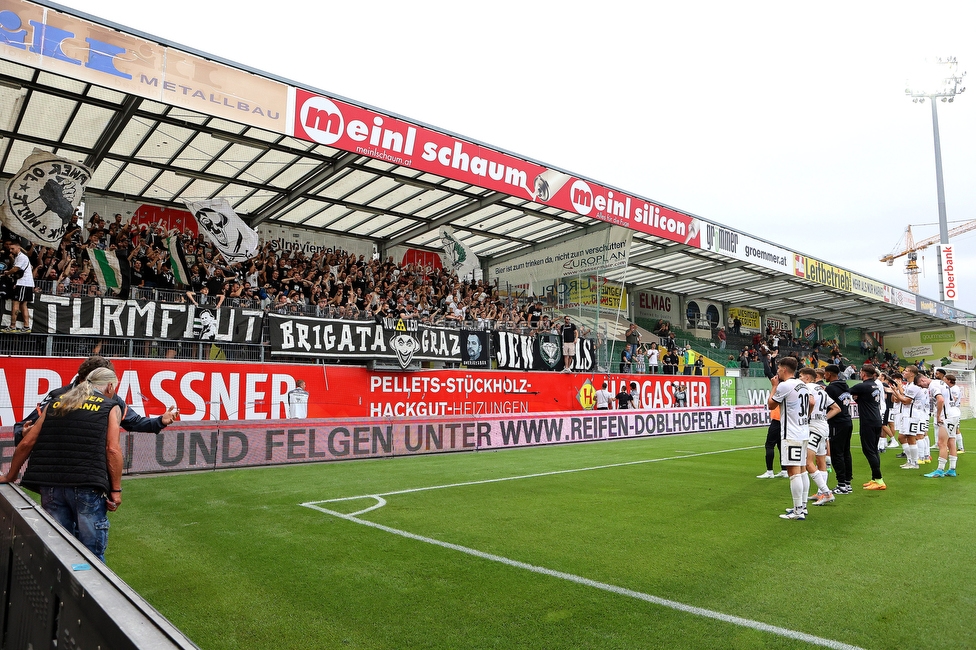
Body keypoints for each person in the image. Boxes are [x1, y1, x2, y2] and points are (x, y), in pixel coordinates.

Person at [0, 367, 122, 562]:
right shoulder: (111, 407)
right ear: (109, 386)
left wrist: (10, 475)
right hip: (87, 487)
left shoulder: (57, 402)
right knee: (92, 556)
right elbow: (112, 450)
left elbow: (27, 442)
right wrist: (116, 490)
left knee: (58, 550)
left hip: (50, 486)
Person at [15, 356, 177, 445]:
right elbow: (21, 428)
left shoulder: (112, 399)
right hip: (56, 475)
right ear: (82, 379)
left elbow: (133, 421)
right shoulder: (58, 396)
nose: (109, 388)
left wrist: (160, 421)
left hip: (90, 476)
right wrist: (23, 433)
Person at [768, 357, 812, 520]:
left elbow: (771, 405)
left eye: (779, 368)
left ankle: (798, 511)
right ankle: (803, 506)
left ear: (784, 369)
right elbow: (811, 404)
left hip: (791, 434)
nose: (777, 370)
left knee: (794, 473)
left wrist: (774, 387)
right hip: (803, 431)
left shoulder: (785, 385)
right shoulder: (803, 385)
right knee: (802, 470)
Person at [799, 367, 840, 505]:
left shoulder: (807, 388)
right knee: (821, 461)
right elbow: (836, 408)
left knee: (807, 461)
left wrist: (808, 417)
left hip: (813, 428)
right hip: (823, 427)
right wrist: (823, 418)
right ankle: (821, 493)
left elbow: (811, 403)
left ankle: (827, 492)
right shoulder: (821, 389)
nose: (799, 379)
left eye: (801, 376)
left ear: (807, 378)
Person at [849, 364, 886, 490]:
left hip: (868, 421)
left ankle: (879, 480)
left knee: (869, 450)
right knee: (874, 450)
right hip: (876, 419)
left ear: (863, 374)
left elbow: (846, 391)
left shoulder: (862, 386)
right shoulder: (874, 385)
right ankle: (875, 478)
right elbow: (866, 400)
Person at [919, 372, 958, 478]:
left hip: (947, 416)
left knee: (942, 443)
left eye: (920, 385)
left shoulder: (933, 385)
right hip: (954, 413)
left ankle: (939, 470)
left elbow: (940, 399)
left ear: (923, 380)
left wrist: (938, 415)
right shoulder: (939, 382)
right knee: (951, 441)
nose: (922, 387)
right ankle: (952, 469)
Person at [2, 238, 33, 333]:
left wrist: (7, 273)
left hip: (23, 283)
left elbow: (15, 270)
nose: (10, 250)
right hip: (25, 283)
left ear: (18, 247)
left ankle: (12, 326)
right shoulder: (18, 257)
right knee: (23, 305)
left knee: (16, 303)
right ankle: (26, 326)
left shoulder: (22, 257)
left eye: (12, 248)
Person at [945, 373, 965, 455]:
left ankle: (959, 447)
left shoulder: (955, 388)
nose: (944, 381)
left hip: (953, 411)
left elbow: (954, 399)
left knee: (954, 430)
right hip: (951, 411)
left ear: (949, 380)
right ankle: (958, 447)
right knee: (954, 429)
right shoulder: (950, 388)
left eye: (945, 379)